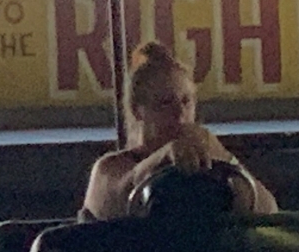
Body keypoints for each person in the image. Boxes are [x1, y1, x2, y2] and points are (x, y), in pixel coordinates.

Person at [81, 41, 278, 221]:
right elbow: (118, 198)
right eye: (165, 103)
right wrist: (164, 157)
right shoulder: (110, 169)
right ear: (137, 110)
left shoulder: (215, 170)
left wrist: (223, 156)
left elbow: (269, 212)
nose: (179, 113)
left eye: (186, 101)